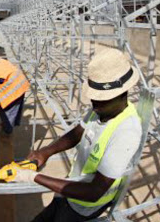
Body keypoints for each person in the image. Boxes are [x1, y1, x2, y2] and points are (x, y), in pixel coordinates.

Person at [12, 48, 142, 222]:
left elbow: (94, 192)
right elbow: (77, 134)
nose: (94, 106)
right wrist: (45, 152)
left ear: (120, 94)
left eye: (100, 99)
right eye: (94, 99)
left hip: (84, 206)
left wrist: (33, 177)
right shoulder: (102, 109)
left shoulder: (126, 131)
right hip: (71, 188)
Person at [0, 52, 30, 134]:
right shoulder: (0, 60)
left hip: (15, 90)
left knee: (7, 111)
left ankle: (7, 132)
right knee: (6, 109)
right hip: (21, 83)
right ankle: (7, 126)